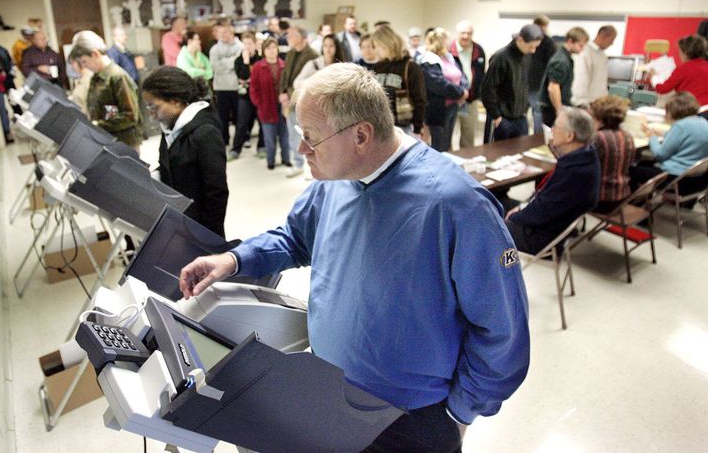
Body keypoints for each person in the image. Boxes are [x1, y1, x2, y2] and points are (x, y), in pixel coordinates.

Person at [179, 63, 530, 452]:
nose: (301, 149)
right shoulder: (335, 181)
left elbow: (503, 329)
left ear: (361, 135)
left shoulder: (455, 205)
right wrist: (234, 260)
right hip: (330, 390)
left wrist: (460, 413)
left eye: (310, 137)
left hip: (410, 417)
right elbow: (297, 237)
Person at [142, 66, 228, 237]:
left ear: (175, 101)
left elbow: (216, 193)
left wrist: (207, 237)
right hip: (180, 221)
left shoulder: (205, 133)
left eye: (155, 107)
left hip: (201, 229)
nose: (152, 114)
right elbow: (168, 164)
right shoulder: (170, 127)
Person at [505, 107, 600, 254]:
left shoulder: (575, 173)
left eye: (556, 127)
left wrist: (515, 216)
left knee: (484, 224)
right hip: (552, 227)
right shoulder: (585, 158)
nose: (552, 130)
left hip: (541, 238)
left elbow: (541, 211)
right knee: (499, 201)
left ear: (569, 136)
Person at [70, 30, 144, 148]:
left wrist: (97, 125)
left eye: (84, 61)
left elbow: (130, 116)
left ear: (95, 54)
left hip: (124, 143)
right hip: (106, 141)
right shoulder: (96, 78)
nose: (84, 67)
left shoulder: (117, 77)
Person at [630, 92, 708, 203]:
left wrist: (651, 136)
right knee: (644, 165)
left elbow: (660, 155)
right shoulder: (703, 123)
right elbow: (687, 139)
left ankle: (635, 208)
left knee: (631, 170)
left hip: (675, 179)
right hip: (697, 180)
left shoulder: (680, 126)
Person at [481, 24, 543, 143]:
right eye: (531, 47)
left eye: (536, 47)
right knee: (497, 156)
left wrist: (525, 109)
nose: (533, 51)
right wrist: (497, 116)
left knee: (519, 155)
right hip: (502, 118)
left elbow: (523, 84)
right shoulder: (501, 57)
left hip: (520, 117)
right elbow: (488, 89)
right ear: (520, 40)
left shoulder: (526, 56)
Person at [371, 26, 426, 138]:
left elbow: (420, 99)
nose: (376, 50)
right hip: (381, 125)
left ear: (388, 44)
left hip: (405, 126)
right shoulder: (377, 67)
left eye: (378, 46)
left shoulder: (410, 67)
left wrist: (417, 128)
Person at [420, 28, 468, 152]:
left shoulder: (448, 57)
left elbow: (461, 75)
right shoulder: (429, 60)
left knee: (447, 145)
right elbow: (438, 84)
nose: (450, 44)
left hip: (453, 106)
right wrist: (461, 92)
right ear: (440, 42)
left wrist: (463, 89)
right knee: (439, 146)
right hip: (439, 110)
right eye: (447, 41)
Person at [279, 26, 317, 178]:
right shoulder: (290, 53)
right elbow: (285, 75)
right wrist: (282, 93)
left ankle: (311, 166)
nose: (288, 37)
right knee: (292, 133)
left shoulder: (312, 55)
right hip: (289, 99)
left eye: (291, 35)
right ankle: (298, 163)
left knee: (309, 134)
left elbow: (311, 82)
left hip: (303, 100)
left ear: (301, 37)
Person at [589, 95, 635, 214]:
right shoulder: (627, 136)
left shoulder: (599, 138)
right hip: (622, 197)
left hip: (600, 199)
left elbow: (579, 164)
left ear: (598, 117)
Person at [250, 38, 290, 170]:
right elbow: (253, 88)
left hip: (283, 106)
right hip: (266, 107)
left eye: (274, 47)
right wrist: (259, 103)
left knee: (285, 136)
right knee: (269, 138)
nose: (272, 51)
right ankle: (271, 161)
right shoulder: (257, 67)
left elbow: (289, 86)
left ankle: (286, 159)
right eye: (268, 48)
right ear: (263, 51)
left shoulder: (284, 65)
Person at [539, 27, 589, 128]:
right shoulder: (561, 61)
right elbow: (553, 88)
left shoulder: (565, 57)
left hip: (556, 106)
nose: (582, 49)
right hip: (552, 108)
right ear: (570, 41)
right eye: (580, 46)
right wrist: (559, 110)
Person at [448, 20, 486, 148]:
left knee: (468, 138)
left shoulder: (478, 50)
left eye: (469, 33)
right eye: (463, 33)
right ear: (457, 33)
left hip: (471, 100)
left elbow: (481, 75)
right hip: (450, 101)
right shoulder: (448, 50)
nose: (466, 36)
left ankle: (466, 165)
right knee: (447, 138)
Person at [230, 31, 264, 160]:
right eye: (245, 44)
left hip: (258, 95)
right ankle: (235, 149)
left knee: (262, 122)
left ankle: (261, 147)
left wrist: (249, 79)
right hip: (244, 96)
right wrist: (245, 61)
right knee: (241, 122)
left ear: (255, 44)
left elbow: (258, 79)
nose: (247, 46)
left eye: (250, 43)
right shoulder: (239, 60)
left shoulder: (260, 60)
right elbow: (243, 76)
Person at [653, 35, 708, 113]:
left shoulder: (684, 69)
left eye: (679, 52)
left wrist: (653, 77)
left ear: (685, 53)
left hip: (693, 110)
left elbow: (662, 89)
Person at [209, 24, 243, 149]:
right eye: (221, 33)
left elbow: (239, 66)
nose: (223, 35)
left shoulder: (240, 47)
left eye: (226, 32)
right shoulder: (214, 49)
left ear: (231, 33)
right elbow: (214, 67)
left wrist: (224, 61)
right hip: (221, 87)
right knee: (222, 117)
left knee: (239, 116)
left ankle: (241, 139)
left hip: (236, 87)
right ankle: (224, 140)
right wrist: (231, 63)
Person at [571, 26, 617, 109]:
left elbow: (601, 82)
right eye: (611, 40)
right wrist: (582, 104)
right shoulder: (585, 52)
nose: (612, 43)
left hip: (598, 103)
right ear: (603, 36)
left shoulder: (602, 55)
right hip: (586, 104)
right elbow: (581, 79)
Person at [527, 15, 556, 135]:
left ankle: (534, 137)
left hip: (527, 82)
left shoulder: (526, 39)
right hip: (538, 83)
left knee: (529, 112)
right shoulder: (548, 42)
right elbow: (552, 63)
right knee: (537, 111)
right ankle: (537, 138)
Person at [0, 42, 14, 144]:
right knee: (2, 112)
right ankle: (6, 133)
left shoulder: (0, 49)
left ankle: (6, 132)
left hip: (0, 87)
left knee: (3, 111)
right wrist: (3, 75)